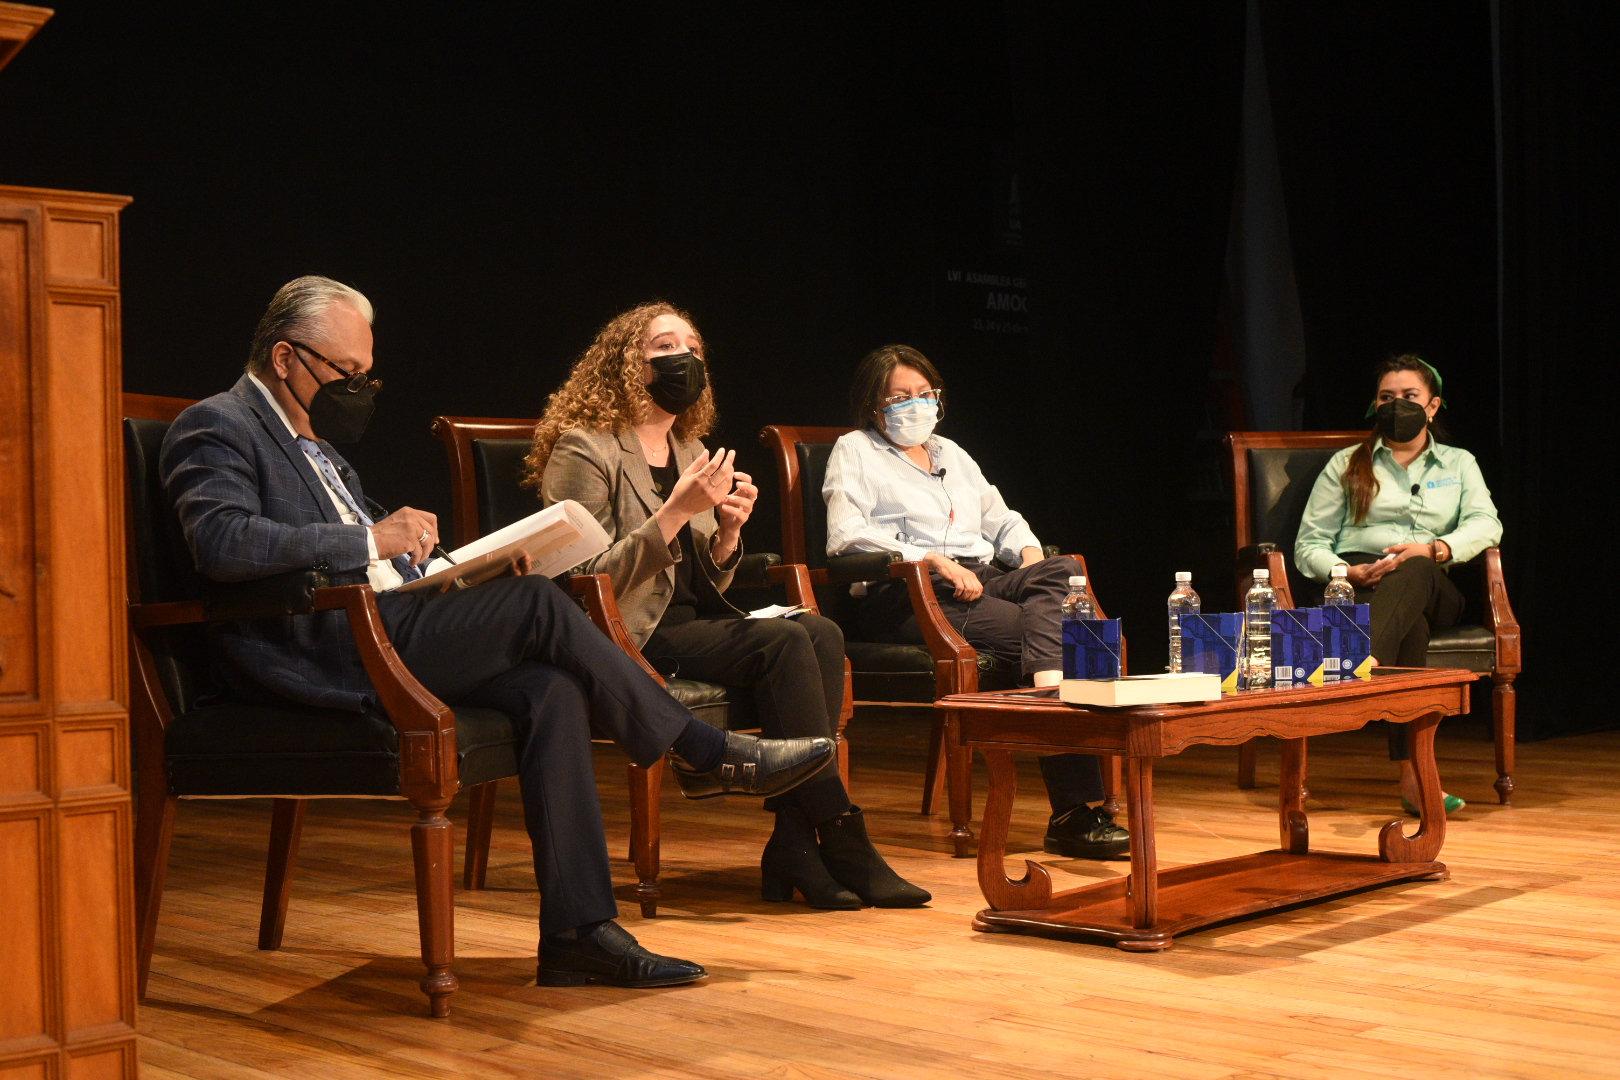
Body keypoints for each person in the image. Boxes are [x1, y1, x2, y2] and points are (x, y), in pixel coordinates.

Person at [160, 277, 834, 989]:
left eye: (366, 373)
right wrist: (368, 538)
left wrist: (461, 569)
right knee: (538, 606)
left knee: (548, 688)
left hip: (386, 624)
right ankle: (700, 751)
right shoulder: (216, 425)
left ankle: (580, 933)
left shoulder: (319, 448)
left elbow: (382, 558)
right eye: (345, 372)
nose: (357, 387)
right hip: (314, 647)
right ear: (286, 358)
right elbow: (222, 542)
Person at [527, 302, 929, 909]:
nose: (684, 358)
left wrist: (728, 536)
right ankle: (842, 837)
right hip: (625, 631)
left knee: (817, 632)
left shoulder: (690, 448)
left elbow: (702, 576)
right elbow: (581, 577)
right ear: (625, 364)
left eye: (692, 347)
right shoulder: (586, 449)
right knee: (788, 641)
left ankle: (796, 840)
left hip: (692, 622)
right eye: (664, 346)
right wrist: (677, 512)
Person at [822, 344, 1130, 860]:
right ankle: (1075, 811)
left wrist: (1030, 557)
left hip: (981, 578)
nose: (914, 405)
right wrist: (930, 560)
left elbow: (1002, 519)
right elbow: (846, 537)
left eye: (924, 395)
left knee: (1064, 572)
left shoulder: (952, 453)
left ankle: (1052, 688)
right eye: (899, 397)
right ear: (874, 407)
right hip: (909, 591)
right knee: (1076, 638)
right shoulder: (854, 450)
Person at [1295, 354, 1502, 814]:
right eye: (1388, 397)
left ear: (1432, 406)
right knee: (1410, 628)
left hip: (1432, 582)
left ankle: (1360, 662)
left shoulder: (1459, 462)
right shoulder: (1348, 464)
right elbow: (1309, 544)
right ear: (1375, 405)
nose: (1398, 405)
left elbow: (1487, 524)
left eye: (1410, 397)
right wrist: (1348, 572)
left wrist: (1435, 549)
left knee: (1415, 569)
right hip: (1360, 585)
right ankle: (1414, 781)